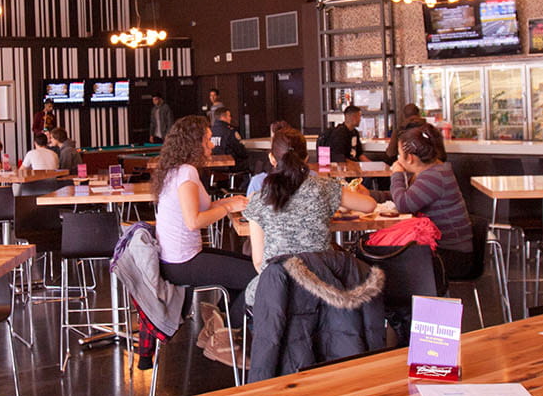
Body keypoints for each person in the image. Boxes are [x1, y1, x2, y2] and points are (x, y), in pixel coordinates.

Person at [241, 125, 375, 299]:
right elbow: (369, 205)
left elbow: (259, 262)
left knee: (243, 302)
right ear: (306, 158)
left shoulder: (258, 199)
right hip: (323, 289)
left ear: (272, 159)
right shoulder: (324, 187)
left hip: (278, 292)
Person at [151, 115, 253, 303]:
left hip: (176, 259)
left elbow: (199, 209)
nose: (212, 145)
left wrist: (228, 201)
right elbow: (194, 221)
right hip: (182, 262)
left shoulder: (175, 170)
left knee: (248, 266)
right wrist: (229, 206)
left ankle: (223, 316)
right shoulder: (186, 172)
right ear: (194, 144)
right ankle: (231, 319)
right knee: (256, 277)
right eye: (208, 140)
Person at [390, 124, 475, 279]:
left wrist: (397, 174)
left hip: (451, 256)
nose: (398, 159)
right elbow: (410, 196)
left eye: (399, 155)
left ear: (410, 158)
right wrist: (371, 195)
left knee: (388, 263)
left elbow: (403, 204)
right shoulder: (436, 170)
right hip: (447, 250)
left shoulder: (434, 177)